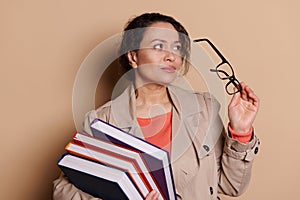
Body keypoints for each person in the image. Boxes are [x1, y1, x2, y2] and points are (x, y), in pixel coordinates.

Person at [53, 12, 260, 200]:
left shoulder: (203, 108)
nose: (171, 56)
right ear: (133, 56)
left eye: (177, 48)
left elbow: (232, 186)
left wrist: (240, 132)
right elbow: (63, 189)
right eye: (159, 46)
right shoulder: (102, 121)